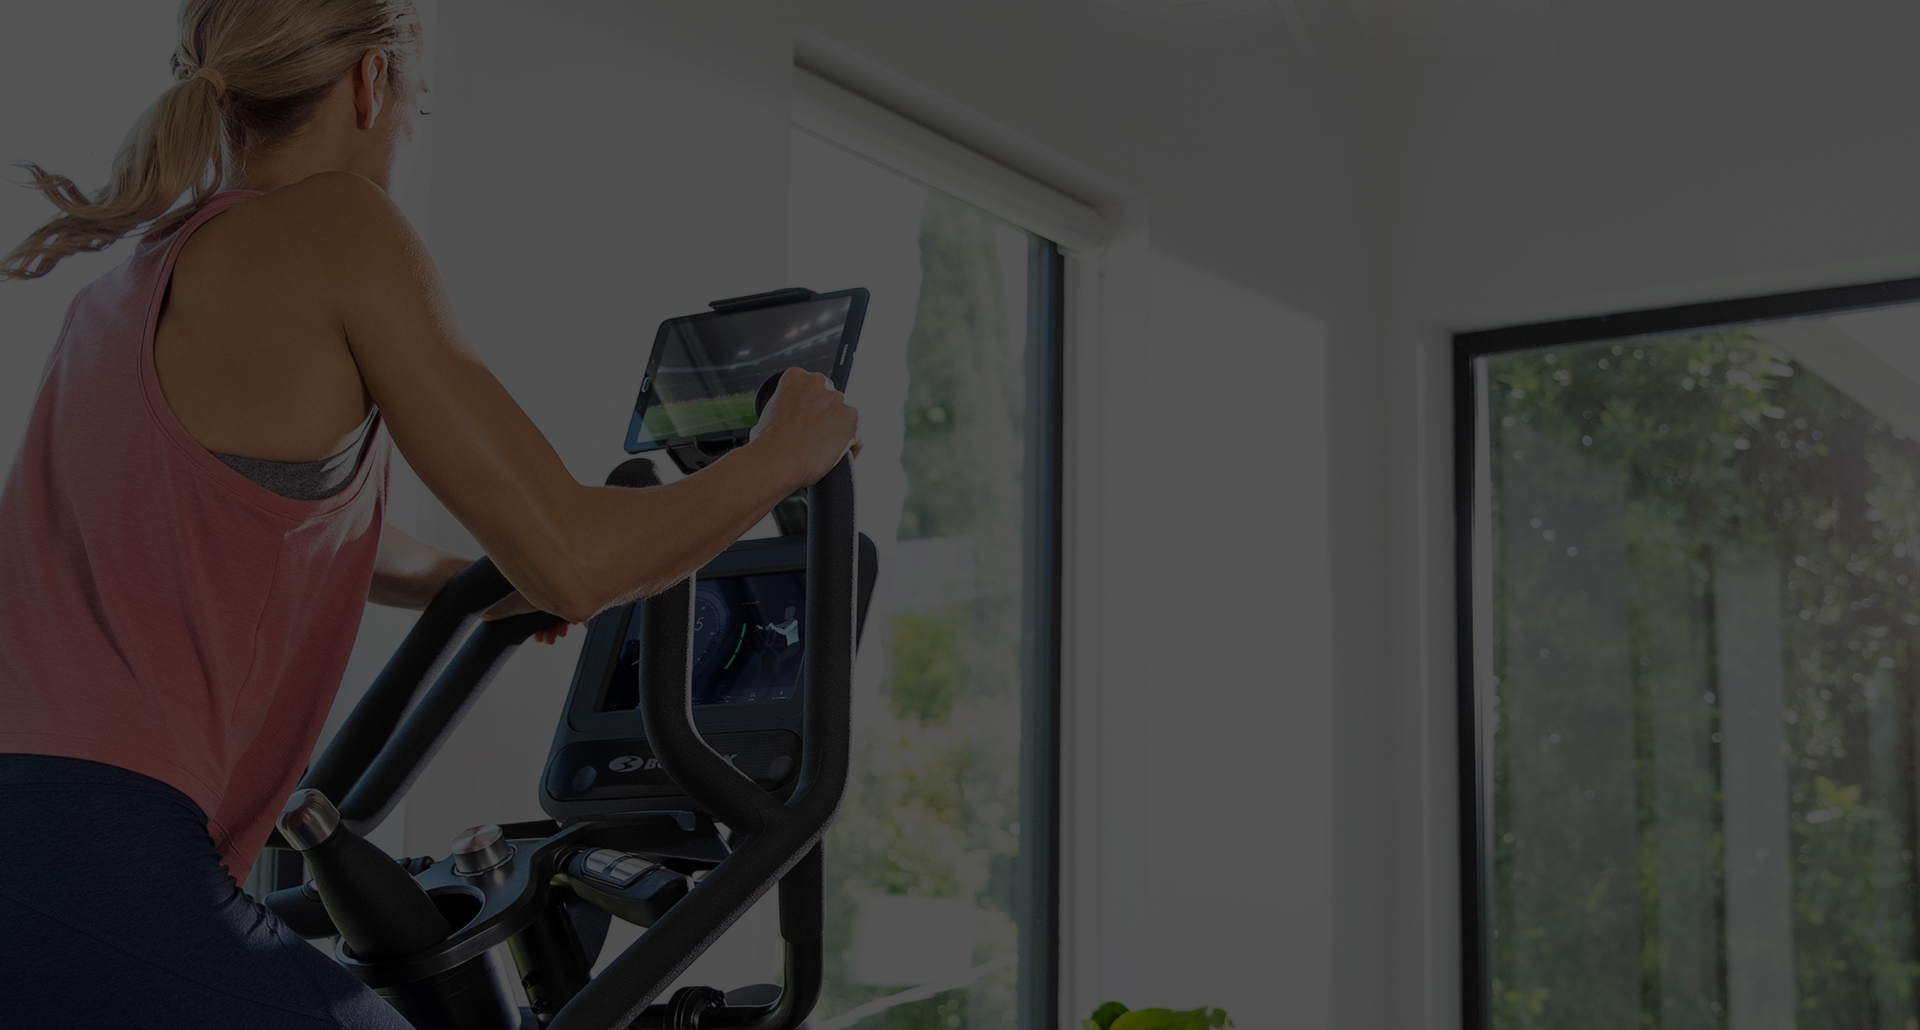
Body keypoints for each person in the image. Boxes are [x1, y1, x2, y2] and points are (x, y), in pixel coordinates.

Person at [0, 1, 858, 1026]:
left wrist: (464, 584)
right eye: (422, 102)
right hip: (90, 841)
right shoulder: (336, 223)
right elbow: (578, 558)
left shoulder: (136, 279)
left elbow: (251, 518)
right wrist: (783, 455)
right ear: (372, 83)